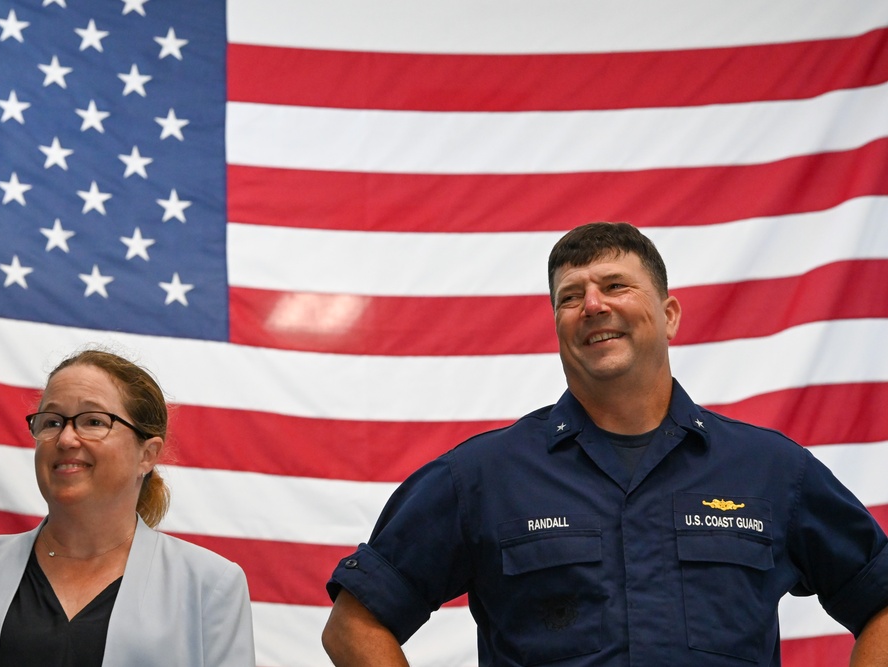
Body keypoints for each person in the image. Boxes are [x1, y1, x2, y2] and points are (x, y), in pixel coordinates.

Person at [322, 222, 888, 666]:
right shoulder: (481, 476)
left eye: (616, 286)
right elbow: (354, 626)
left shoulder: (771, 470)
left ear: (669, 316)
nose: (593, 305)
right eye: (571, 297)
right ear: (559, 328)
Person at [0, 349, 255, 667]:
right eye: (52, 422)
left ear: (147, 454)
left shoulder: (211, 586)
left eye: (93, 421)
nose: (65, 439)